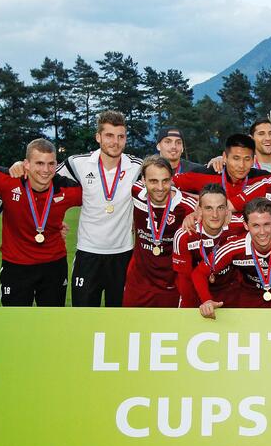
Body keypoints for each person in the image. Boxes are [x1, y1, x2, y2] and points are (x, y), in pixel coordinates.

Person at [53, 110, 143, 307]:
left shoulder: (137, 167)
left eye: (121, 136)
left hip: (123, 255)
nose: (115, 142)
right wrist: (18, 165)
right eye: (109, 135)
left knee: (120, 320)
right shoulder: (77, 163)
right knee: (83, 320)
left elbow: (169, 179)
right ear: (98, 137)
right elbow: (43, 179)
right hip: (88, 254)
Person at [0, 138, 83, 307]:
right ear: (26, 164)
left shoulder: (69, 190)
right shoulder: (9, 181)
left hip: (54, 266)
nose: (46, 170)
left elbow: (101, 199)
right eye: (39, 163)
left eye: (51, 164)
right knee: (16, 325)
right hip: (16, 267)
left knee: (52, 324)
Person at [195, 198, 271, 318]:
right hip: (249, 303)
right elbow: (199, 273)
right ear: (246, 226)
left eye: (266, 224)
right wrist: (206, 300)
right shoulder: (234, 247)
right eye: (256, 226)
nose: (262, 232)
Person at [123, 157, 197, 307]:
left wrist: (199, 210)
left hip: (170, 284)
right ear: (143, 180)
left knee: (168, 330)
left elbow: (215, 206)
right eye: (153, 181)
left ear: (172, 180)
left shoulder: (187, 207)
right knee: (131, 328)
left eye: (165, 180)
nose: (160, 187)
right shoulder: (136, 191)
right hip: (138, 283)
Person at [173, 184, 245, 308]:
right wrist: (191, 310)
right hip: (197, 298)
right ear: (199, 211)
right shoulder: (185, 234)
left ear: (227, 210)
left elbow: (265, 222)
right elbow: (184, 280)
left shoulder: (240, 226)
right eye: (208, 208)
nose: (215, 215)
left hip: (233, 296)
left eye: (220, 208)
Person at [176, 133, 271, 196]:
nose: (241, 165)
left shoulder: (263, 178)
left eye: (247, 159)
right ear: (225, 157)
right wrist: (197, 199)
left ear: (253, 160)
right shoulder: (204, 174)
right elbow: (169, 184)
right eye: (236, 158)